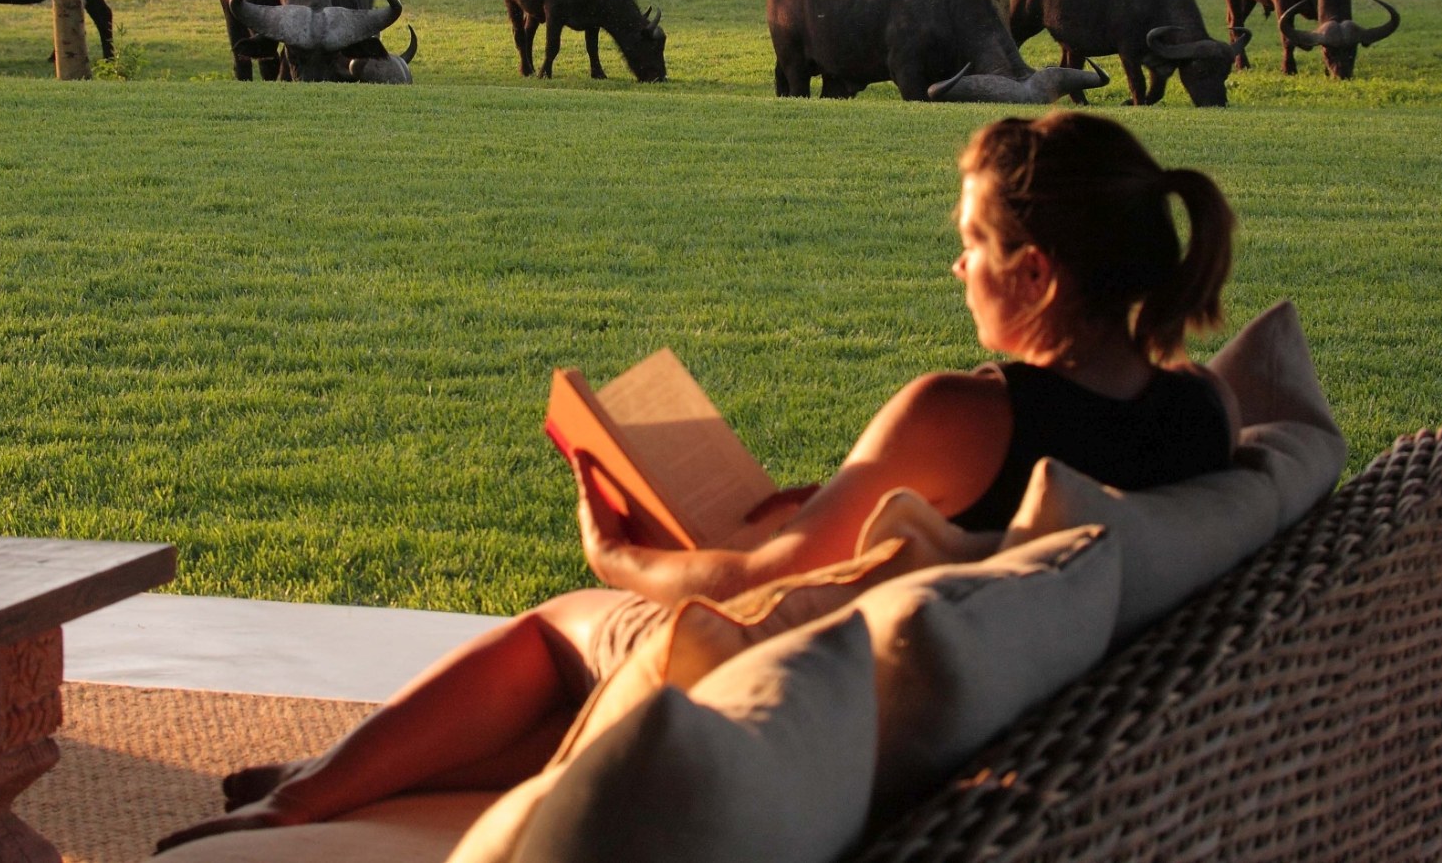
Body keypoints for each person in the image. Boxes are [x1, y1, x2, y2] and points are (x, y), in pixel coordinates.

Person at [155, 111, 1240, 854]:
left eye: (971, 243)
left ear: (1037, 272)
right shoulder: (1203, 410)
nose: (957, 267)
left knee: (567, 630)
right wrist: (842, 505)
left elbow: (765, 571)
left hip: (802, 688)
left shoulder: (968, 410)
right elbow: (938, 521)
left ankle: (300, 808)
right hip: (971, 692)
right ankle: (355, 767)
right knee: (607, 647)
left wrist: (618, 555)